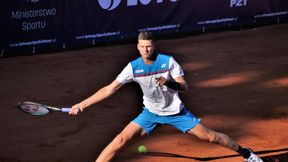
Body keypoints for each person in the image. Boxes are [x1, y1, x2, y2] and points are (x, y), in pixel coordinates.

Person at [69, 31, 263, 162]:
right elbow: (109, 89)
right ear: (138, 47)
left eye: (150, 46)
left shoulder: (168, 62)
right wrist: (82, 104)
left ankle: (246, 153)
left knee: (211, 137)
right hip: (151, 113)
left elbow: (184, 87)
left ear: (154, 46)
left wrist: (168, 82)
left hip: (176, 112)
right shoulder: (133, 67)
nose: (147, 50)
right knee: (120, 140)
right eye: (143, 47)